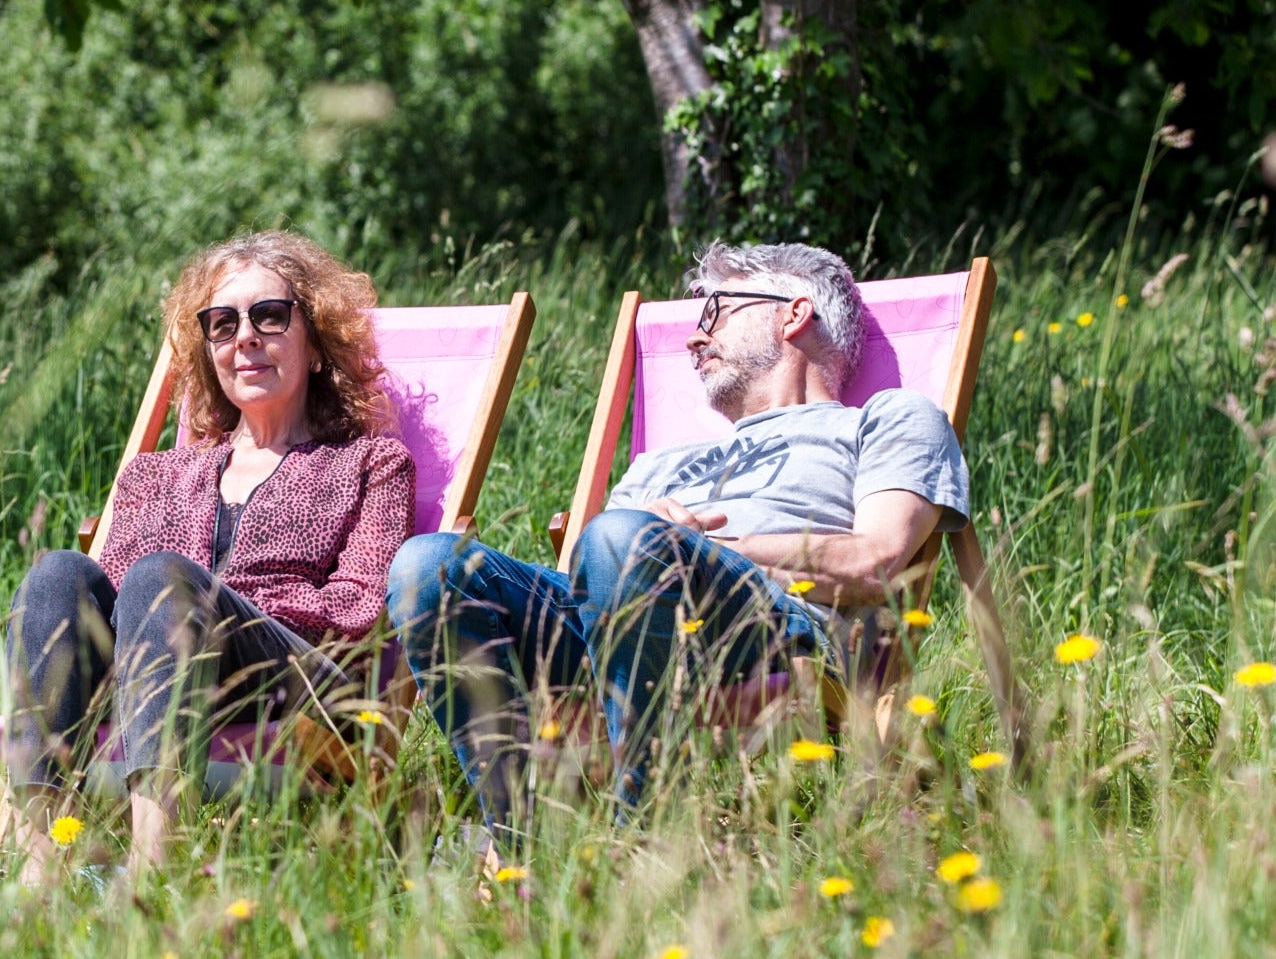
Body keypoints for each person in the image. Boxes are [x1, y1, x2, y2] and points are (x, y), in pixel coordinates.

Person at [389, 241, 968, 835]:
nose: (693, 339)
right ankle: (517, 836)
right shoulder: (662, 463)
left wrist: (700, 551)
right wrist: (646, 544)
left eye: (715, 312)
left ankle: (639, 831)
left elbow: (876, 562)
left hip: (774, 632)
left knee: (625, 537)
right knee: (429, 564)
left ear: (793, 314)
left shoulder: (887, 417)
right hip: (615, 635)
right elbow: (593, 582)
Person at [0, 230, 414, 880]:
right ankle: (36, 861)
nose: (245, 337)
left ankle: (152, 866)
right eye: (222, 323)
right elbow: (122, 610)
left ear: (317, 344)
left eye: (271, 317)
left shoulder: (370, 464)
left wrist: (215, 600)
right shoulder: (151, 476)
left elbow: (357, 608)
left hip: (294, 679)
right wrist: (183, 602)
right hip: (160, 665)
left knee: (162, 580)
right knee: (58, 574)